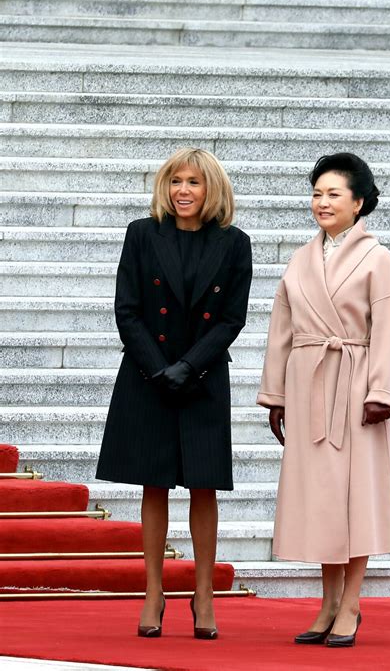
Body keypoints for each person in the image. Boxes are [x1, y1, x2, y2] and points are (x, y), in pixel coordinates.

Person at [96, 147, 252, 640]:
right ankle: (153, 593)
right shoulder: (142, 234)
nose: (183, 190)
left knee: (204, 486)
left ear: (213, 190)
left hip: (203, 377)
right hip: (149, 375)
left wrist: (189, 366)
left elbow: (232, 319)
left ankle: (203, 595)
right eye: (175, 181)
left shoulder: (234, 243)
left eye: (194, 182)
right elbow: (128, 309)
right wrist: (160, 368)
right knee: (154, 484)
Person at [257, 152, 390, 648]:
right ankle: (326, 602)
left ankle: (352, 602)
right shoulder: (300, 258)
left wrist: (381, 391)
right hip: (308, 387)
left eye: (333, 193)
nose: (322, 202)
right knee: (322, 499)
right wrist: (276, 393)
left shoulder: (379, 259)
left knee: (355, 496)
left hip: (357, 385)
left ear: (359, 202)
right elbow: (283, 329)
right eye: (317, 193)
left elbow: (388, 329)